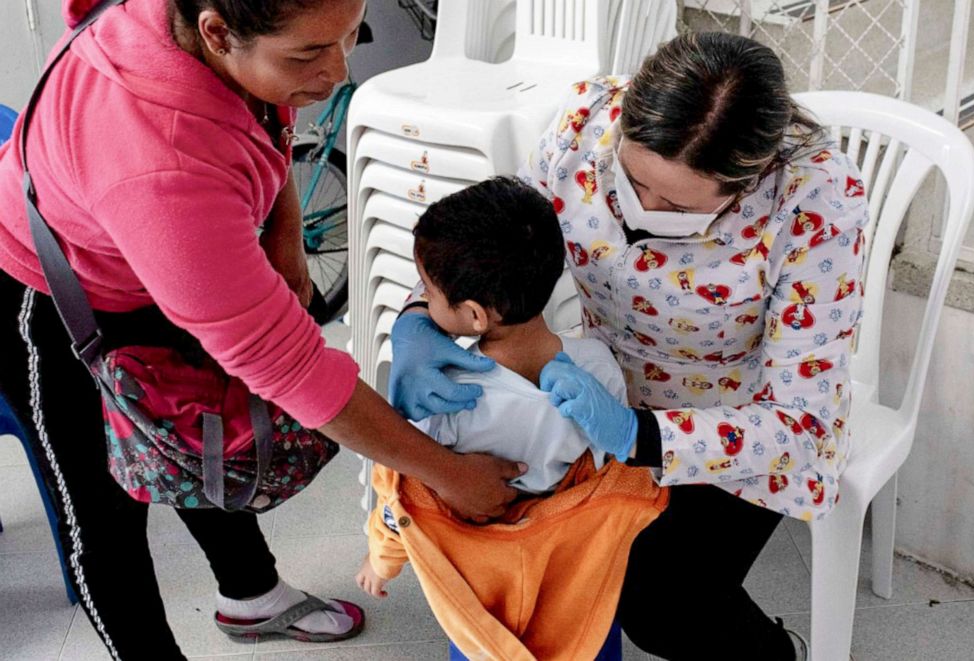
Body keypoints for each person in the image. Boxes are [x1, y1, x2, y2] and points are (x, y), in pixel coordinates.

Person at [0, 1, 523, 659]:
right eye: (307, 55)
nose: (336, 70)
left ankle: (251, 595)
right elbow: (294, 368)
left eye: (348, 37)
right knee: (103, 517)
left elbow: (265, 110)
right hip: (46, 293)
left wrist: (285, 227)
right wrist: (450, 473)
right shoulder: (162, 164)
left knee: (203, 430)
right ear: (217, 31)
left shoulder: (209, 28)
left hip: (145, 258)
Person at [388, 32, 869, 661]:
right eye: (634, 179)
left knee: (662, 602)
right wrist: (417, 318)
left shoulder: (816, 201)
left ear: (746, 184)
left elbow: (802, 422)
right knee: (558, 566)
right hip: (603, 384)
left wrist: (638, 435)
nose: (642, 210)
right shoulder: (585, 125)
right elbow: (497, 245)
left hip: (740, 427)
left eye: (674, 203)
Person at [355, 177, 667, 660]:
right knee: (590, 641)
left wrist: (382, 560)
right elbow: (610, 468)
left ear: (476, 315)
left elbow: (406, 498)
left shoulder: (442, 393)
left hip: (485, 583)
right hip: (576, 573)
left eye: (430, 294)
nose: (424, 303)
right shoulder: (596, 365)